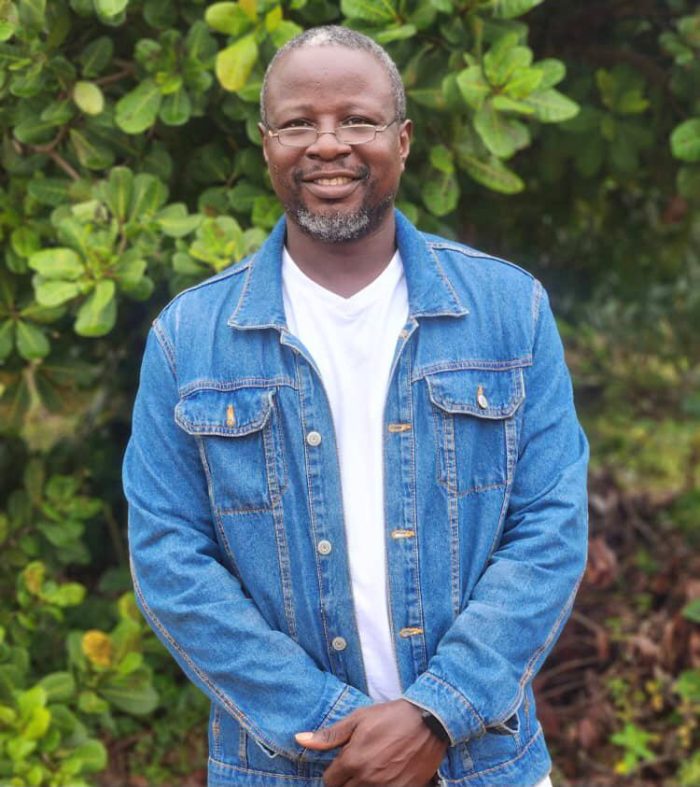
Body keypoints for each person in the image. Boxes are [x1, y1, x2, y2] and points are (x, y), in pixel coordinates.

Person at [123, 25, 588, 787]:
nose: (328, 143)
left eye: (359, 120)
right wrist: (337, 730)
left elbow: (551, 528)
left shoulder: (510, 310)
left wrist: (437, 712)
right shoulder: (189, 338)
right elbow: (171, 561)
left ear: (402, 140)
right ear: (267, 143)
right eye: (299, 122)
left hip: (484, 761)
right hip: (284, 765)